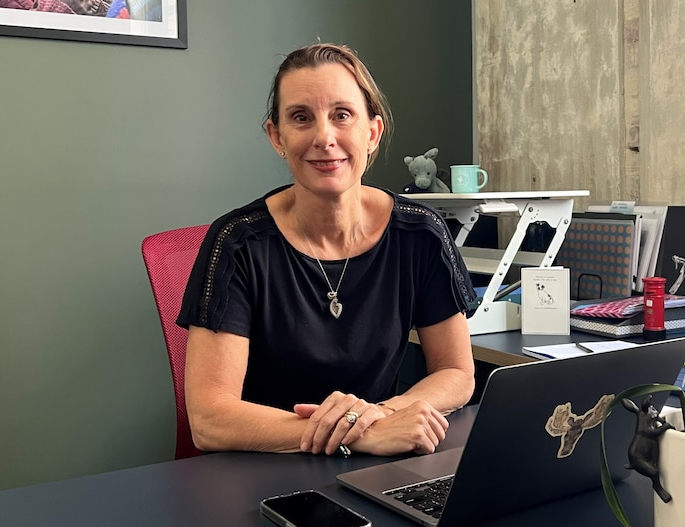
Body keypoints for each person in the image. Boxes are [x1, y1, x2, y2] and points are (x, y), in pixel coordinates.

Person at [177, 43, 476, 459]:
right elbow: (209, 419)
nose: (324, 137)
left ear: (371, 133)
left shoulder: (422, 233)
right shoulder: (237, 243)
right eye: (302, 118)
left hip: (377, 465)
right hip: (263, 468)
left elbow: (456, 373)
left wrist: (378, 416)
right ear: (277, 137)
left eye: (342, 115)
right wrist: (357, 433)